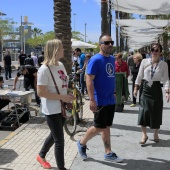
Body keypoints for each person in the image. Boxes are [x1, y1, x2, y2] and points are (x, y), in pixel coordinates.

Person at [77, 34, 123, 163]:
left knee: (106, 126)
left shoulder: (112, 59)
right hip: (100, 100)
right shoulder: (95, 60)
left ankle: (108, 152)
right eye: (106, 42)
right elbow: (89, 81)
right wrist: (92, 99)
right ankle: (81, 142)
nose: (110, 45)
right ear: (100, 44)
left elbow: (111, 77)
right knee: (99, 126)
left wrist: (113, 92)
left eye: (111, 42)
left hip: (110, 99)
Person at [36, 39, 75, 170]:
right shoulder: (44, 69)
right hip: (51, 109)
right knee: (59, 140)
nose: (64, 49)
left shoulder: (60, 65)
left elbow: (62, 85)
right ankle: (61, 168)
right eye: (61, 47)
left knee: (54, 135)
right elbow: (40, 92)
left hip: (63, 106)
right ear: (55, 50)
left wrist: (68, 95)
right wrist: (61, 97)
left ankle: (41, 155)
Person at [134, 43, 170, 144]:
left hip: (156, 89)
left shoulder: (164, 65)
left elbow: (166, 79)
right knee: (143, 111)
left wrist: (167, 91)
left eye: (156, 50)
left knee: (156, 111)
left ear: (160, 53)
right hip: (145, 89)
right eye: (152, 50)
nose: (154, 52)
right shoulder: (145, 61)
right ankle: (144, 134)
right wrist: (136, 87)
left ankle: (155, 133)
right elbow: (139, 75)